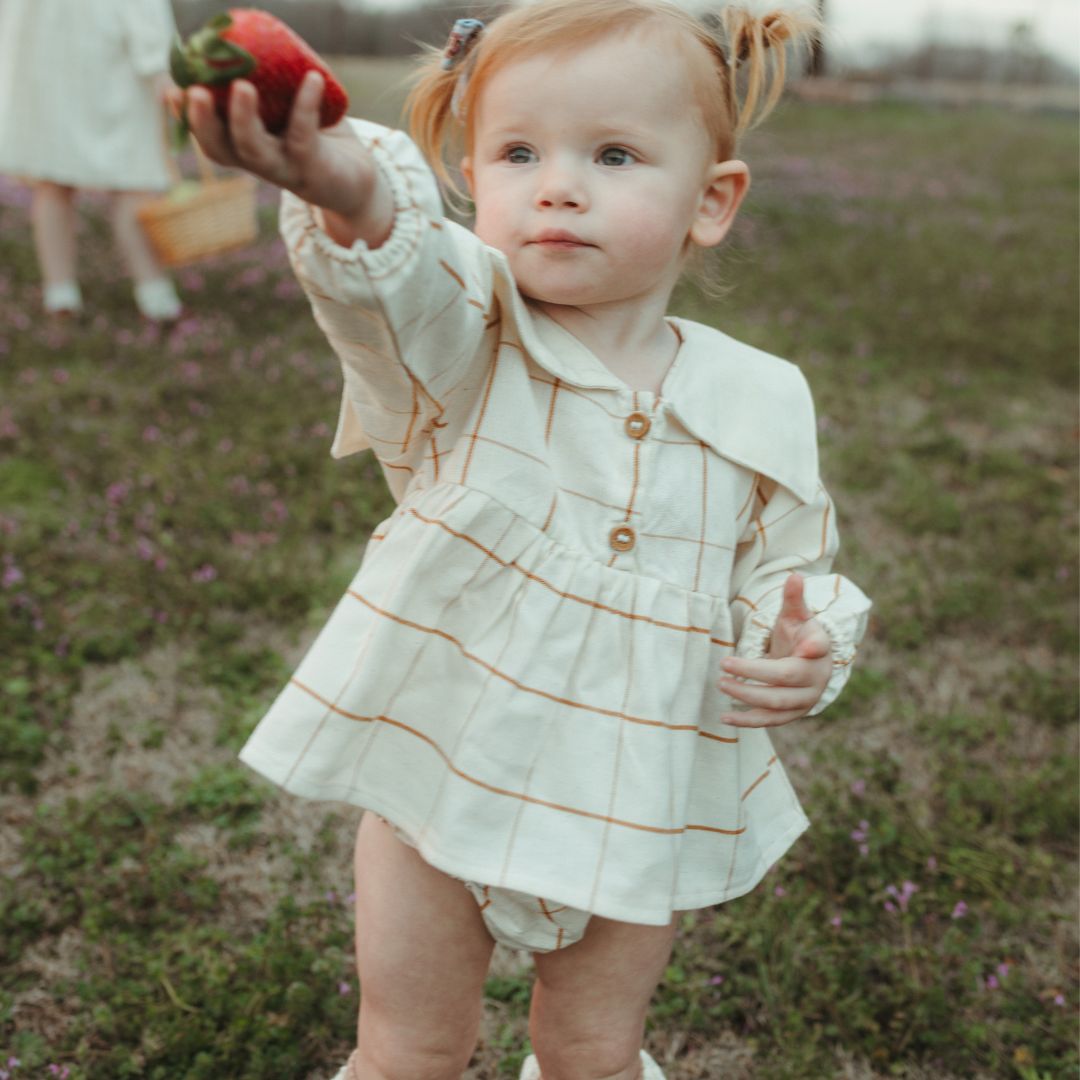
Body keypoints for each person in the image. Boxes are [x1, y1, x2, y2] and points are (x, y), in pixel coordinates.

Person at [179, 2, 872, 1077]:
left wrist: (803, 649)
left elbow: (790, 571)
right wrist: (336, 175)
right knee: (411, 1045)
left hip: (636, 787)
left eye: (614, 154)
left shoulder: (763, 396)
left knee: (593, 1050)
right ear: (468, 176)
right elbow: (390, 260)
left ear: (712, 202)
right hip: (441, 760)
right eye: (517, 152)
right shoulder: (468, 338)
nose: (558, 184)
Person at [0, 0, 182, 320]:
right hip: (99, 58)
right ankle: (154, 293)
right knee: (130, 183)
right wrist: (159, 64)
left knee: (54, 181)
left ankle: (61, 293)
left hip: (50, 61)